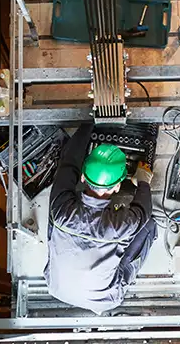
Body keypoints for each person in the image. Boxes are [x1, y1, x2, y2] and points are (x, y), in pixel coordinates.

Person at [44, 120, 157, 314]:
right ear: (118, 186)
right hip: (104, 298)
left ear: (82, 177)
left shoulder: (61, 208)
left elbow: (69, 162)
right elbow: (144, 210)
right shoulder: (122, 226)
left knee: (56, 222)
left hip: (56, 287)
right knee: (150, 225)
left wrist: (89, 123)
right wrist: (143, 181)